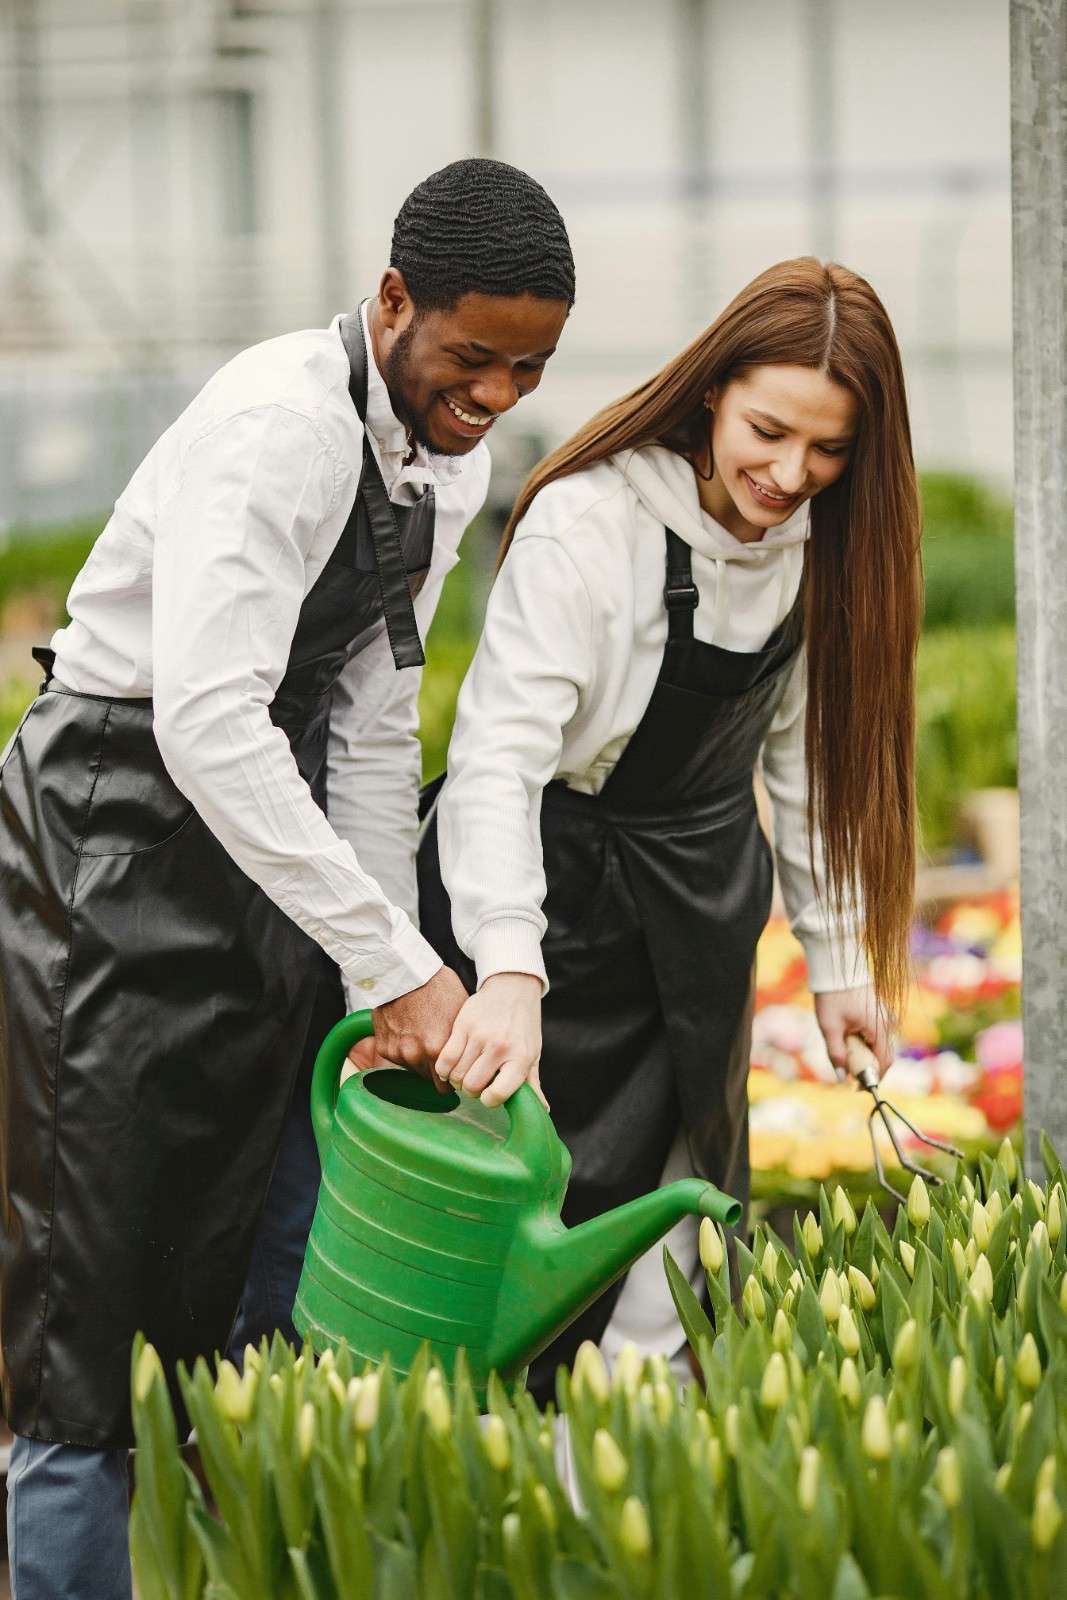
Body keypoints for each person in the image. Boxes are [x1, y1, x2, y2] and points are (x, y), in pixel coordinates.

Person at [0, 157, 574, 1599]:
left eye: (528, 367)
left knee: (261, 1223)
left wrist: (369, 961)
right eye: (472, 356)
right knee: (95, 1275)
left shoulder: (446, 460)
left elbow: (375, 722)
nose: (496, 393)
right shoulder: (282, 430)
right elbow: (201, 718)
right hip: (114, 837)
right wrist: (392, 956)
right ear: (391, 301)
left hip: (263, 834)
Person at [417, 257, 920, 1400]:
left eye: (829, 448)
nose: (793, 474)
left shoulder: (813, 544)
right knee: (518, 1238)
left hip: (694, 908)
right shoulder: (590, 526)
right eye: (769, 430)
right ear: (710, 390)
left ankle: (626, 1509)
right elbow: (497, 762)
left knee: (672, 1236)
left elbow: (802, 763)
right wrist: (505, 966)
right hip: (551, 896)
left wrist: (838, 965)